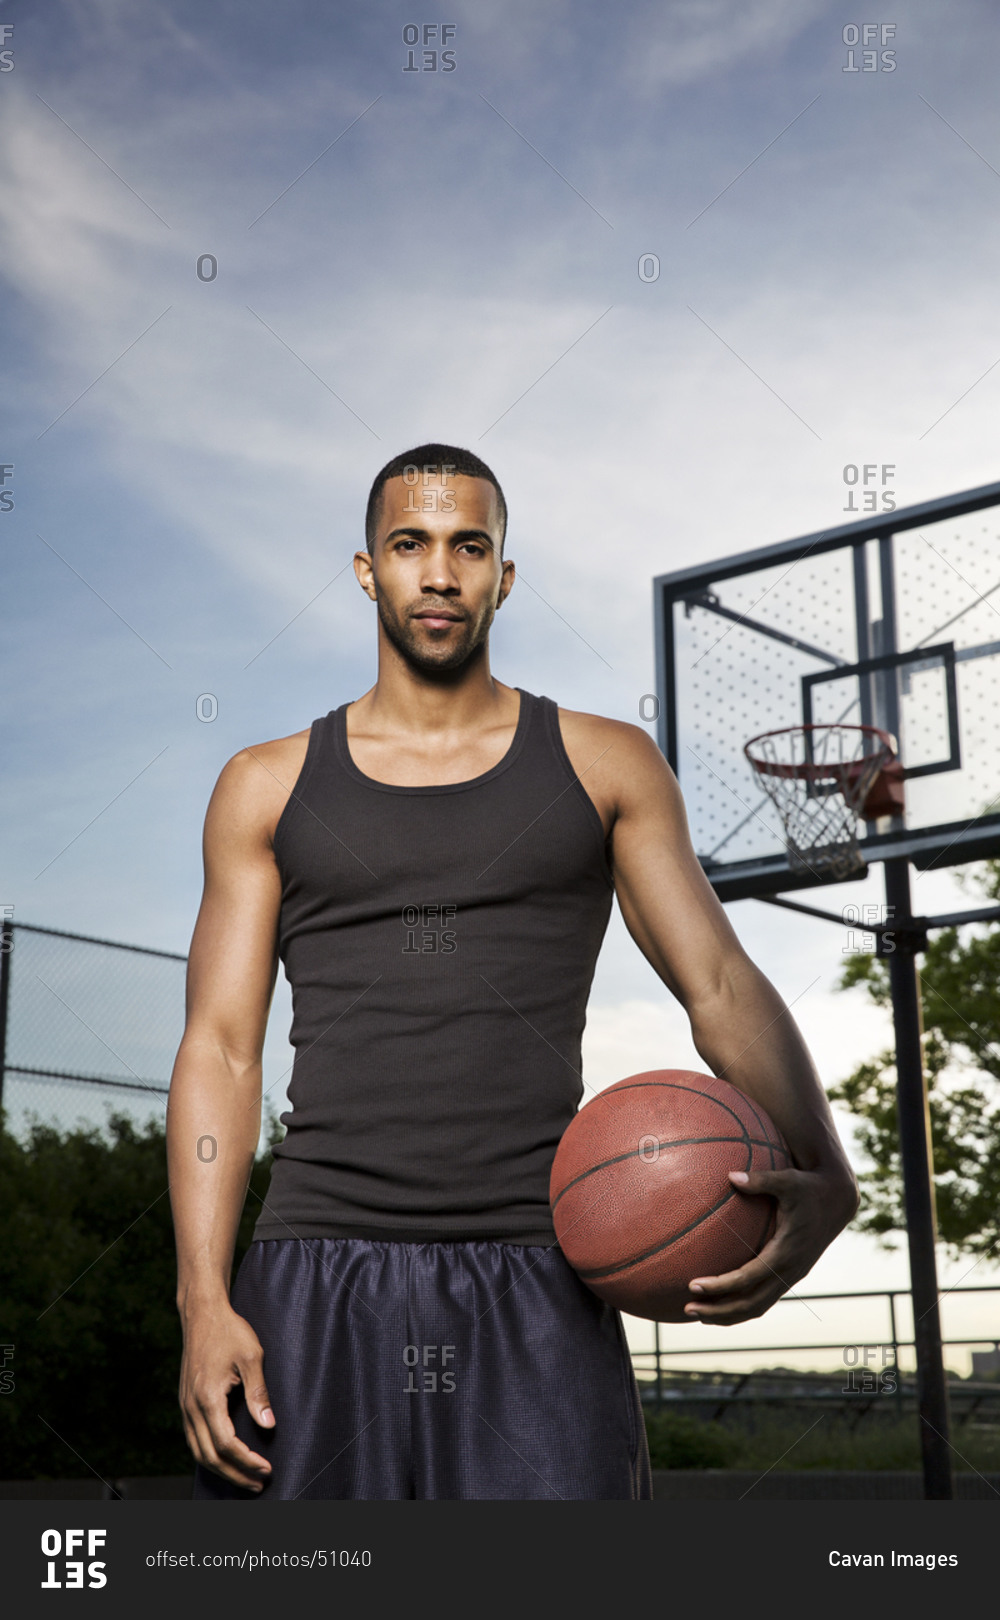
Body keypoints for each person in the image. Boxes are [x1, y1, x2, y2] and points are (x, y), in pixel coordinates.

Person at [168, 443, 858, 1501]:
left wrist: (829, 1175)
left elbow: (714, 981)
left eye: (467, 546)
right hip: (312, 1271)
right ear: (367, 569)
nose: (438, 573)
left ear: (502, 575)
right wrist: (203, 1302)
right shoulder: (263, 784)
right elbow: (220, 1048)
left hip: (540, 1273)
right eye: (409, 544)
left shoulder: (603, 760)